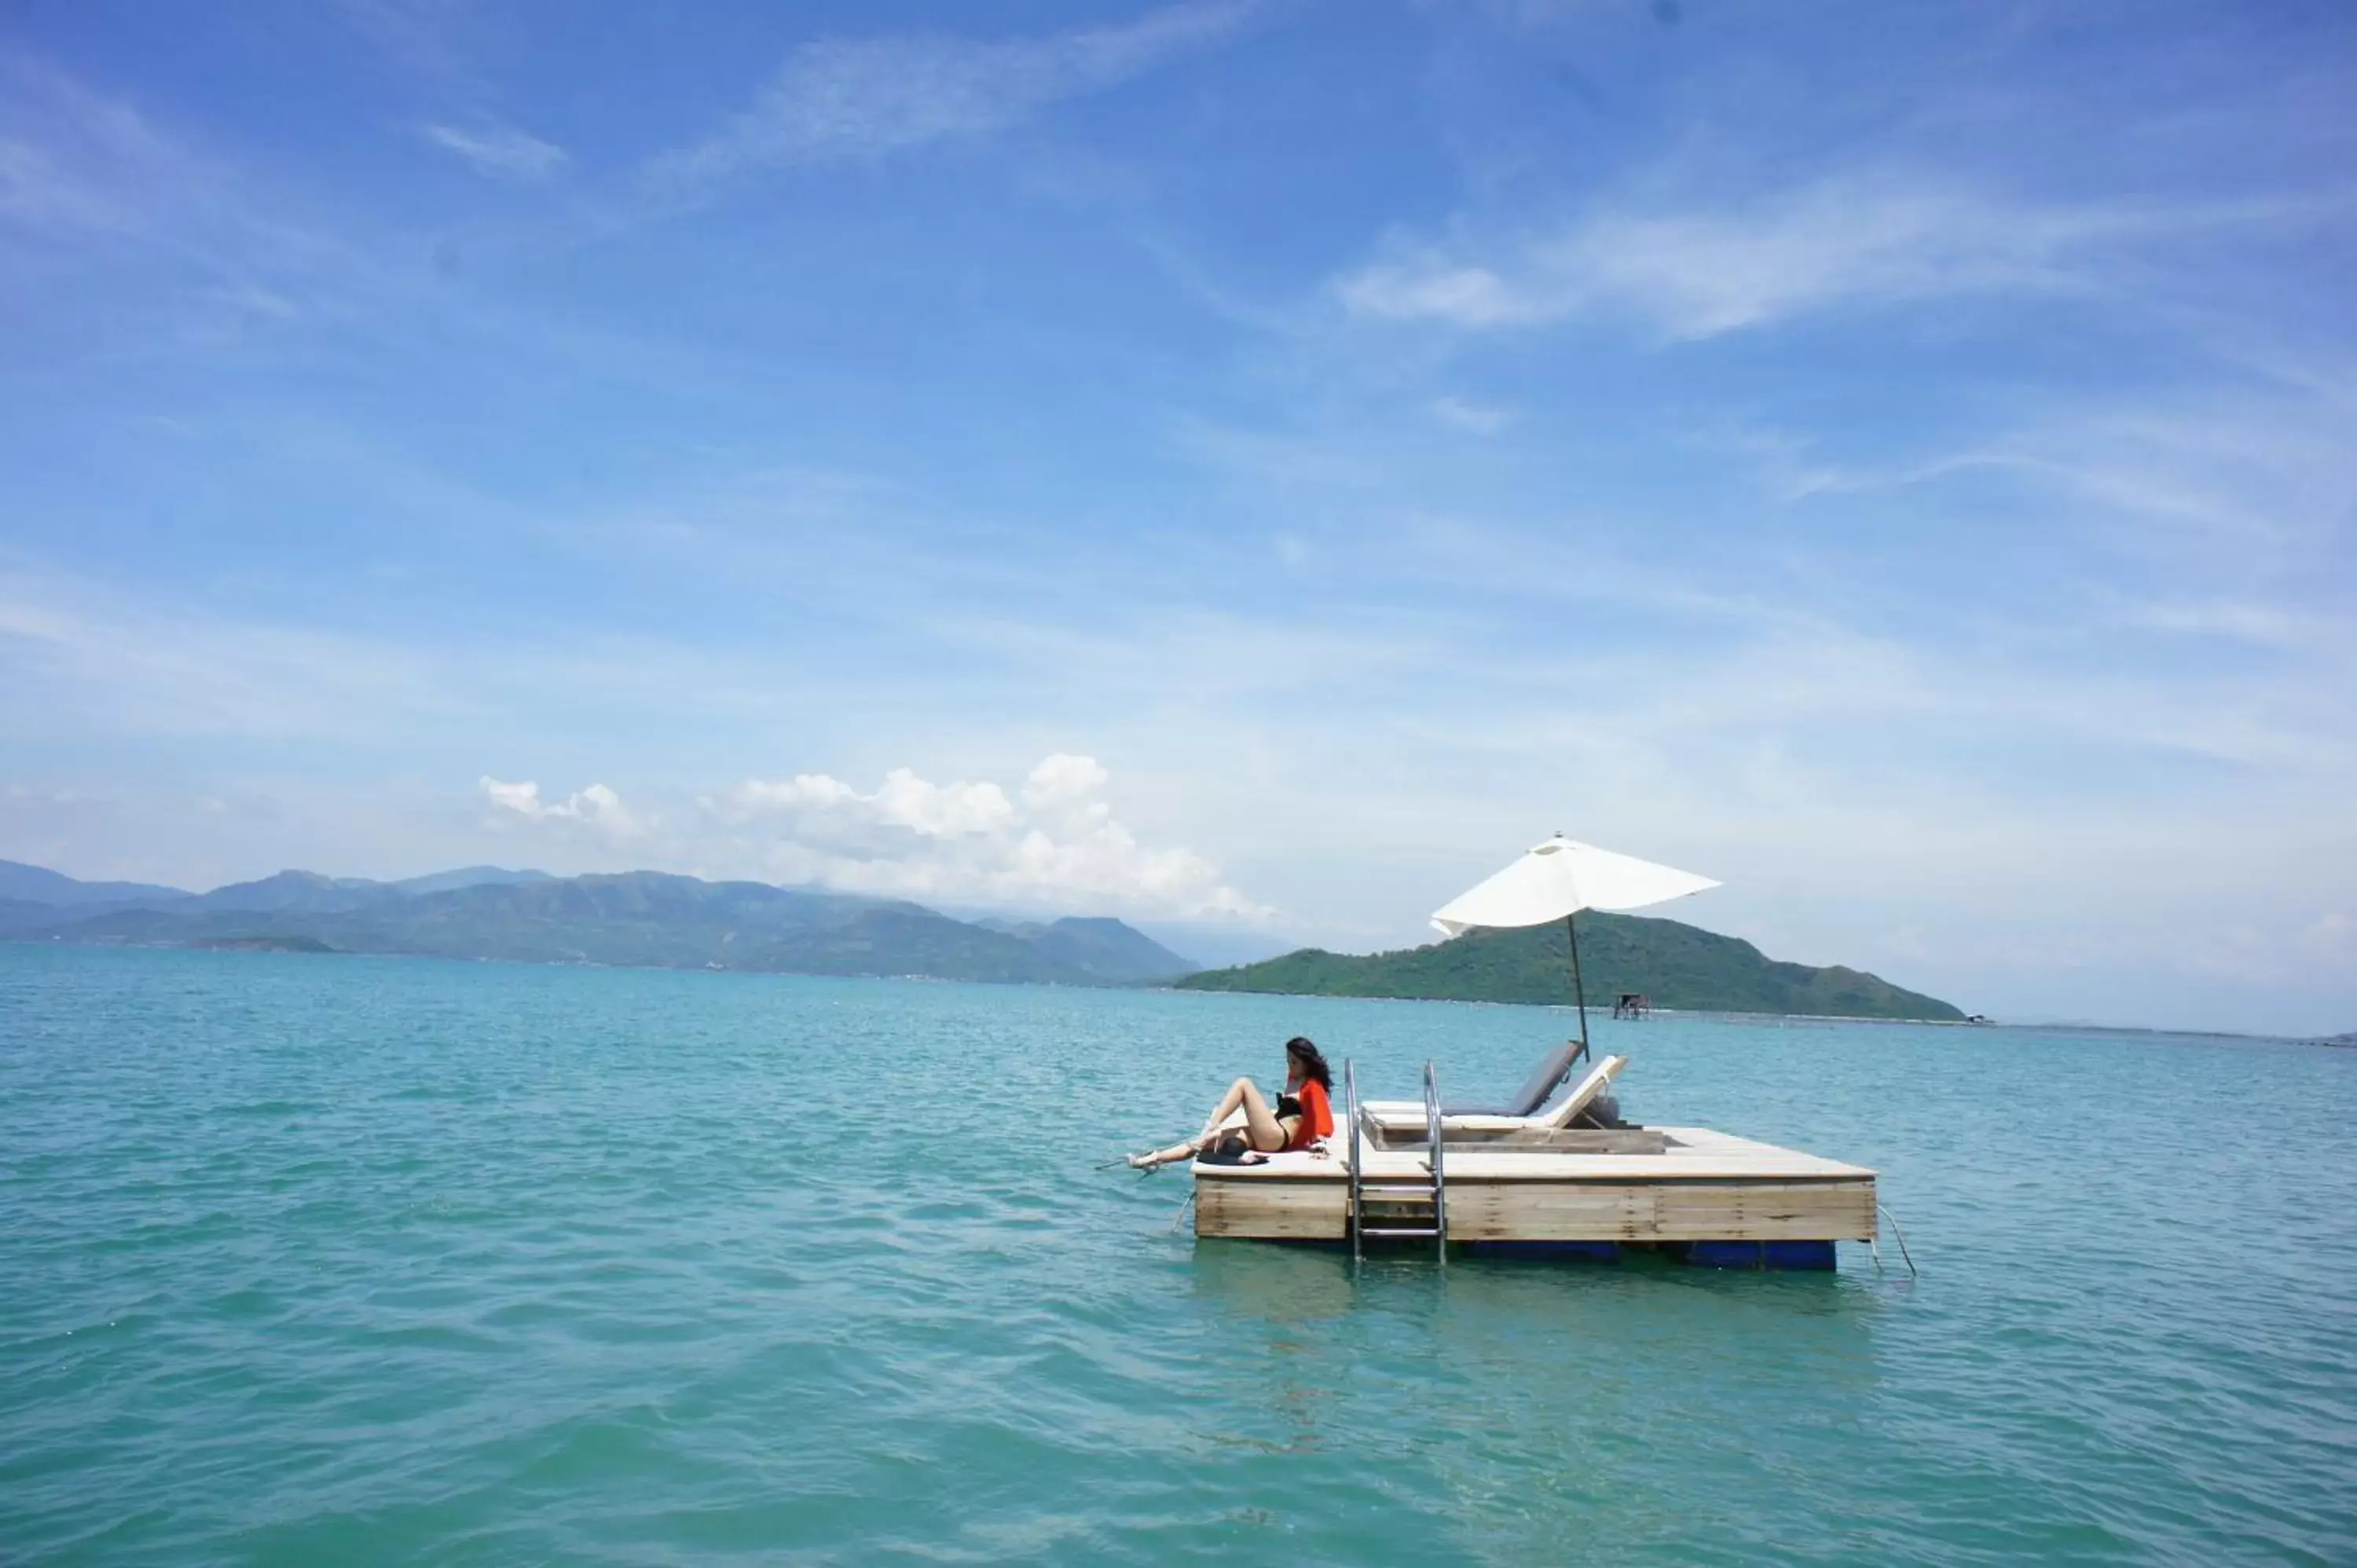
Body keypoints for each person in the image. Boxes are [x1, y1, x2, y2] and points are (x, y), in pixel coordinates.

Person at [1129, 1036, 1335, 1169]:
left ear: (1307, 1063)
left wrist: (1319, 1146)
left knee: (1244, 1084)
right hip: (1270, 1131)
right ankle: (1153, 1159)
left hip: (1278, 1138)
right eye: (1287, 1060)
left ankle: (1211, 1127)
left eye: (1294, 1062)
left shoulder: (1312, 1085)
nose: (1290, 1065)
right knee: (1210, 1142)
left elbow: (1323, 1120)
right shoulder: (1293, 1077)